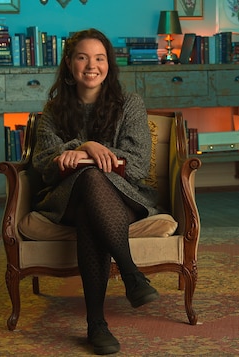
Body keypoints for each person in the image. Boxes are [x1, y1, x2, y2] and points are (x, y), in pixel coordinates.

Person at [31, 28, 161, 355]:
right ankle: (131, 274)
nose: (92, 65)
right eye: (83, 57)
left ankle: (96, 325)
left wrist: (84, 156)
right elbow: (43, 164)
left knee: (93, 199)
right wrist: (85, 145)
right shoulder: (53, 110)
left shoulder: (129, 104)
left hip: (123, 197)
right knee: (88, 181)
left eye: (100, 58)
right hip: (66, 199)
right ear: (70, 65)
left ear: (109, 65)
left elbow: (139, 164)